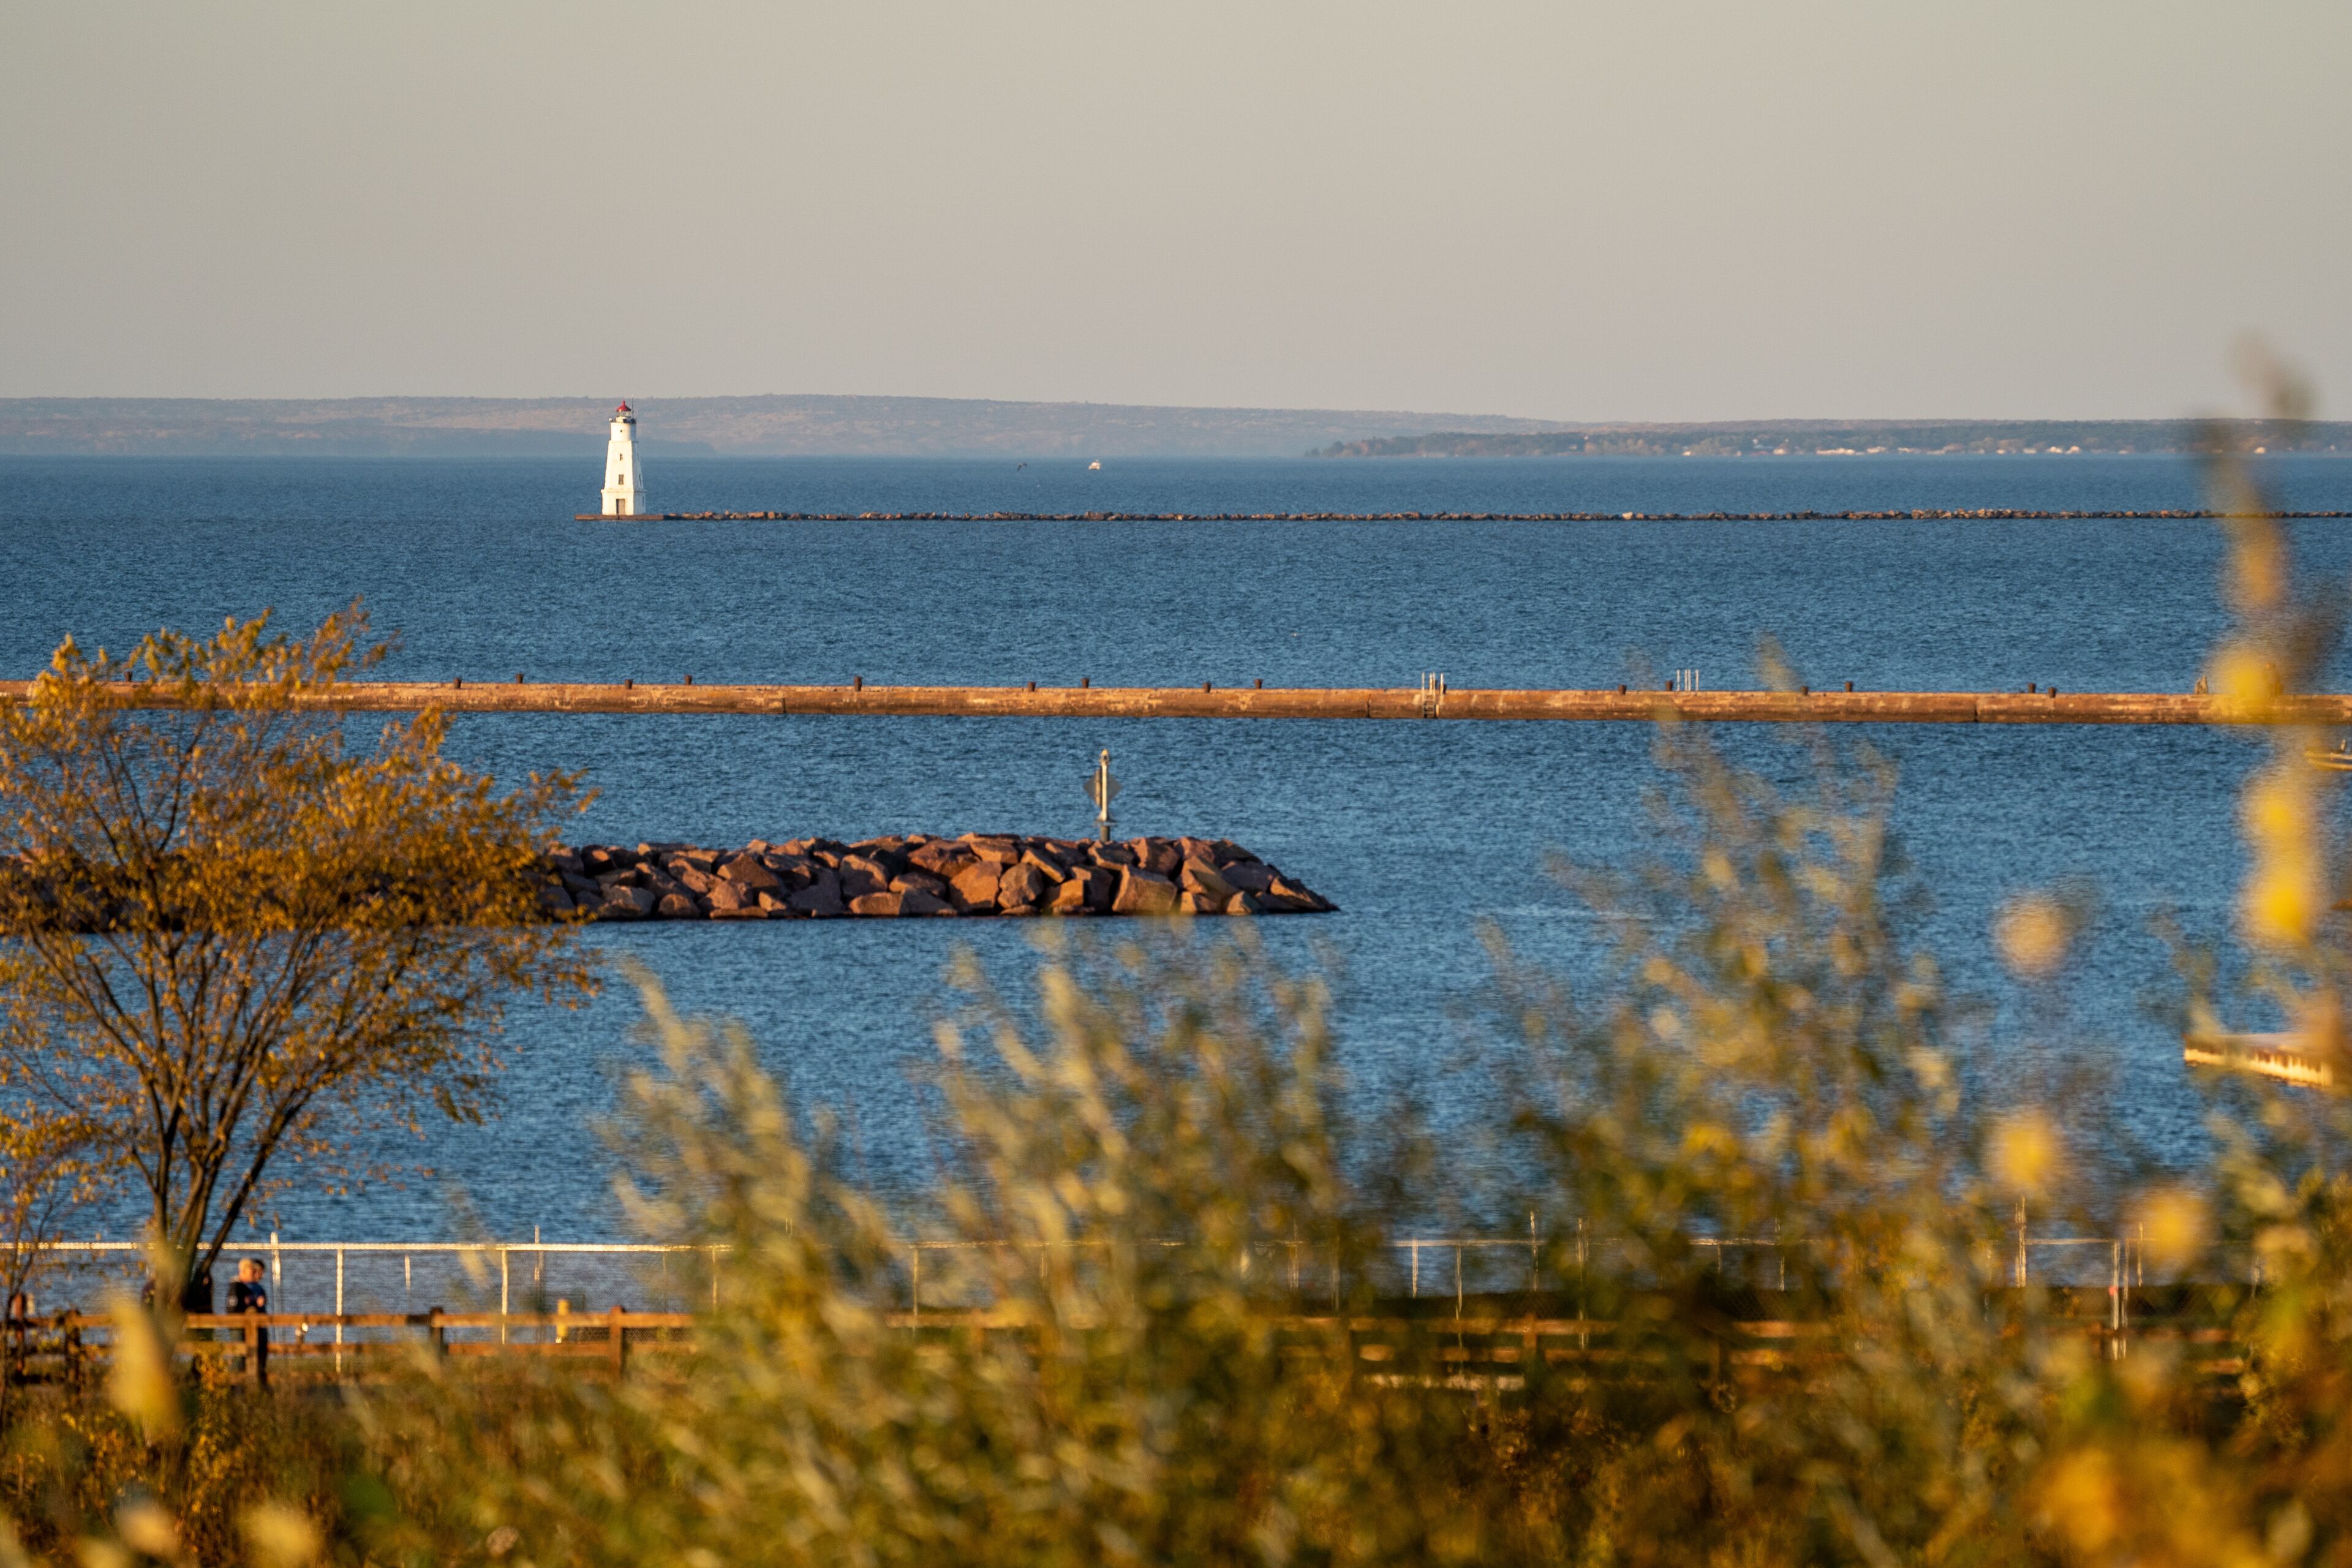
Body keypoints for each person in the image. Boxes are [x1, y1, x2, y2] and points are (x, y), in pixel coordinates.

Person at [225, 1257, 269, 1385]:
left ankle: (247, 1385)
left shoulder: (244, 1287)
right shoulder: (238, 1287)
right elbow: (234, 1307)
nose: (254, 1274)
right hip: (239, 1326)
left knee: (249, 1355)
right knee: (240, 1356)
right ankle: (233, 1385)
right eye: (252, 1271)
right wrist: (254, 1303)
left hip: (248, 1326)